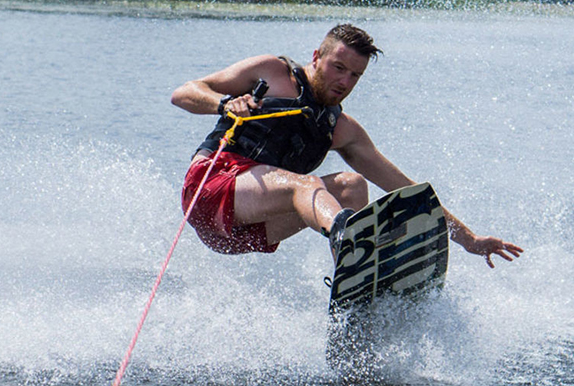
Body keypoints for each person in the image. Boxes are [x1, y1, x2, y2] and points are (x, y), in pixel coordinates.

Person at [170, 23, 522, 267]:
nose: (344, 81)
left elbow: (407, 191)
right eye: (338, 67)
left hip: (241, 237)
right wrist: (223, 103)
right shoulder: (273, 72)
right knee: (305, 185)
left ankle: (351, 299)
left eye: (355, 75)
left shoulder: (341, 129)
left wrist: (469, 239)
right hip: (209, 190)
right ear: (316, 56)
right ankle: (352, 243)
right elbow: (184, 93)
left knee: (353, 187)